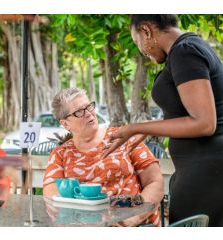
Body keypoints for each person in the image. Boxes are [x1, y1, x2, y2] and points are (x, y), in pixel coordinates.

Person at [102, 14, 223, 226]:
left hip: (208, 173)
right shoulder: (186, 50)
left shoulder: (185, 52)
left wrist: (134, 127)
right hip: (201, 170)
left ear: (146, 31)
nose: (142, 51)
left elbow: (204, 123)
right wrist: (146, 131)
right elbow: (185, 115)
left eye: (137, 41)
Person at [43, 88, 164, 227]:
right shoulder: (60, 154)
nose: (89, 114)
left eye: (88, 107)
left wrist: (133, 218)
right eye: (79, 112)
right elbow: (52, 201)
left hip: (135, 224)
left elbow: (155, 182)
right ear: (65, 124)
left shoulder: (122, 138)